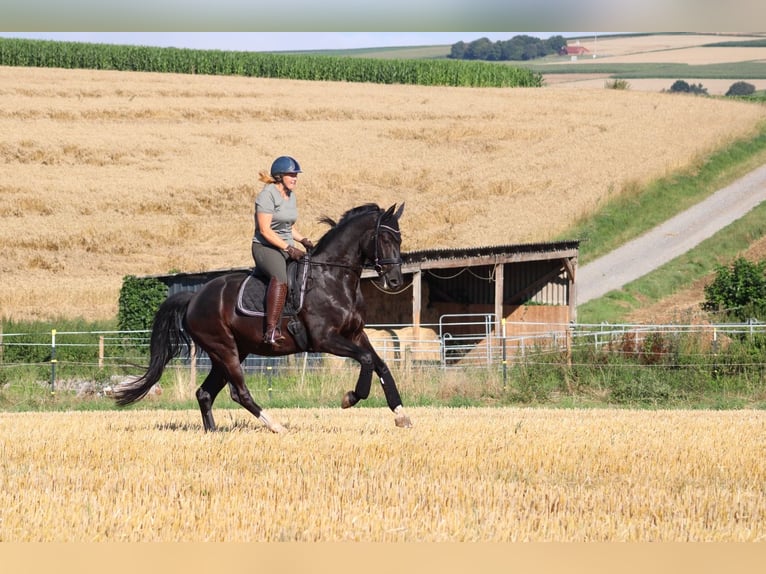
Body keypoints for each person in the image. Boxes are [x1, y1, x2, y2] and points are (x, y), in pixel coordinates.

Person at [252, 155, 314, 347]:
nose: (295, 178)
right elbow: (265, 230)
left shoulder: (291, 195)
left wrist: (303, 240)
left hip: (287, 247)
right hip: (266, 248)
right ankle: (271, 330)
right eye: (291, 175)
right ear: (279, 176)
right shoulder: (267, 195)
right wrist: (288, 248)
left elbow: (287, 227)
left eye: (296, 175)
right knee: (281, 277)